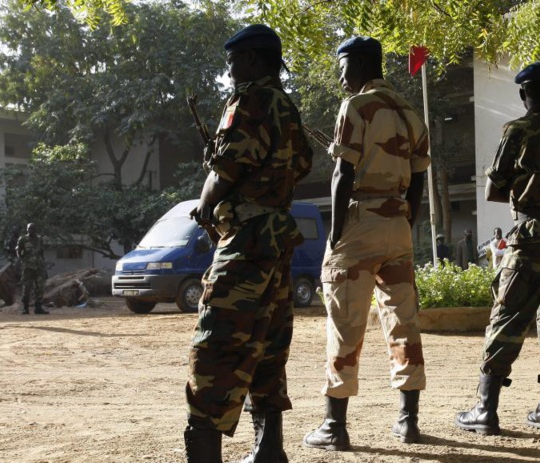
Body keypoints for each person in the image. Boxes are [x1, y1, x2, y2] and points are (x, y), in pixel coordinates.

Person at [183, 24, 313, 463]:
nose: (231, 70)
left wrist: (205, 206)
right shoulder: (288, 108)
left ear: (255, 59)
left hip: (245, 240)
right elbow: (301, 165)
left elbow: (228, 167)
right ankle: (268, 451)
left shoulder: (250, 100)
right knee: (268, 342)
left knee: (216, 343)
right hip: (277, 240)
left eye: (234, 61)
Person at [303, 36, 429, 451]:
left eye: (342, 67)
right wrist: (408, 218)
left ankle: (334, 427)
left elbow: (342, 173)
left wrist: (337, 232)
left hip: (360, 222)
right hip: (398, 224)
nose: (340, 77)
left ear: (359, 63)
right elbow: (420, 177)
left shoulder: (356, 106)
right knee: (403, 322)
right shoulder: (411, 112)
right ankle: (408, 421)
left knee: (345, 321)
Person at [454, 62, 540, 436]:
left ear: (523, 94)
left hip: (531, 235)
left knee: (507, 317)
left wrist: (524, 187)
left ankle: (486, 409)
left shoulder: (517, 130)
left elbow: (492, 189)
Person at [16, 222, 48, 315]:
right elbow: (18, 251)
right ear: (27, 229)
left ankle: (38, 307)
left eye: (32, 229)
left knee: (40, 287)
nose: (31, 231)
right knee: (26, 287)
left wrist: (43, 264)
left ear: (35, 230)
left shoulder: (39, 239)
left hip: (39, 267)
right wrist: (22, 260)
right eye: (29, 229)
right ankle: (25, 308)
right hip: (28, 268)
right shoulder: (23, 239)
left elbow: (41, 252)